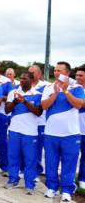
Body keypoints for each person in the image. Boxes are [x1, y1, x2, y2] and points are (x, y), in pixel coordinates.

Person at [41, 61, 84, 201]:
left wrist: (65, 91)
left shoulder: (77, 87)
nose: (56, 73)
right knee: (51, 162)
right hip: (51, 133)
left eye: (60, 70)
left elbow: (78, 104)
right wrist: (55, 93)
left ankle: (66, 191)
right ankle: (52, 188)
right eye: (55, 70)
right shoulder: (48, 87)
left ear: (67, 73)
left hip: (70, 134)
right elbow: (44, 106)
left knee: (69, 163)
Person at [4, 72, 43, 194]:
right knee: (13, 156)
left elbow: (38, 112)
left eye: (25, 78)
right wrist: (15, 102)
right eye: (20, 78)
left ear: (31, 80)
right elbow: (6, 110)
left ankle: (29, 184)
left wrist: (25, 101)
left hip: (30, 132)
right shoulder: (13, 92)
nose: (21, 80)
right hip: (14, 130)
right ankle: (13, 179)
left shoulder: (38, 95)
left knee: (30, 159)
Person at [28, 65, 50, 176]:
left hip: (41, 122)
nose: (30, 74)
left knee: (37, 148)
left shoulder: (46, 86)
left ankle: (36, 171)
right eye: (29, 72)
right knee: (27, 148)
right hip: (27, 123)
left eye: (33, 72)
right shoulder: (23, 85)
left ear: (40, 74)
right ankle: (26, 169)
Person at [76, 67, 85, 190]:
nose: (78, 77)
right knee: (70, 156)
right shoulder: (73, 89)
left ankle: (82, 179)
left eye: (81, 75)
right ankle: (69, 178)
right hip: (73, 130)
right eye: (77, 75)